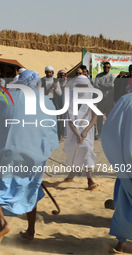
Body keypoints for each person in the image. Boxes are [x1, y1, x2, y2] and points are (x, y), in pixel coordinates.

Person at [0, 70, 59, 248]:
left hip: (5, 153)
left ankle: (3, 224)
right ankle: (31, 230)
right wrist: (43, 153)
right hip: (33, 156)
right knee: (30, 189)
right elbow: (51, 131)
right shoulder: (46, 102)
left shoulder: (4, 98)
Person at [101, 93, 132, 253]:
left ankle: (121, 243)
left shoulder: (125, 100)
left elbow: (109, 130)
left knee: (124, 201)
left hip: (125, 162)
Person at [63, 75, 98, 190]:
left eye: (84, 86)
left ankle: (90, 180)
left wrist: (85, 131)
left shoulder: (92, 98)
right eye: (80, 86)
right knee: (74, 150)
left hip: (87, 129)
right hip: (73, 130)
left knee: (86, 149)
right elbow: (69, 120)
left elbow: (94, 118)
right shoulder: (70, 99)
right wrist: (77, 134)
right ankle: (72, 174)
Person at [93, 62, 115, 140]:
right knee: (99, 117)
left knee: (109, 117)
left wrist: (101, 85)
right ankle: (100, 133)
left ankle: (109, 133)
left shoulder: (112, 76)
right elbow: (95, 85)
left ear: (110, 68)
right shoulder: (99, 76)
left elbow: (111, 85)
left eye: (108, 67)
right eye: (105, 67)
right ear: (103, 67)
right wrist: (105, 86)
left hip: (109, 100)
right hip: (100, 100)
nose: (106, 68)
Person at [56, 70, 68, 140]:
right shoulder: (56, 82)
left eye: (63, 75)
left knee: (64, 118)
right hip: (57, 100)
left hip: (65, 101)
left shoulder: (67, 82)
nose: (62, 76)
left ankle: (64, 134)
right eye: (61, 75)